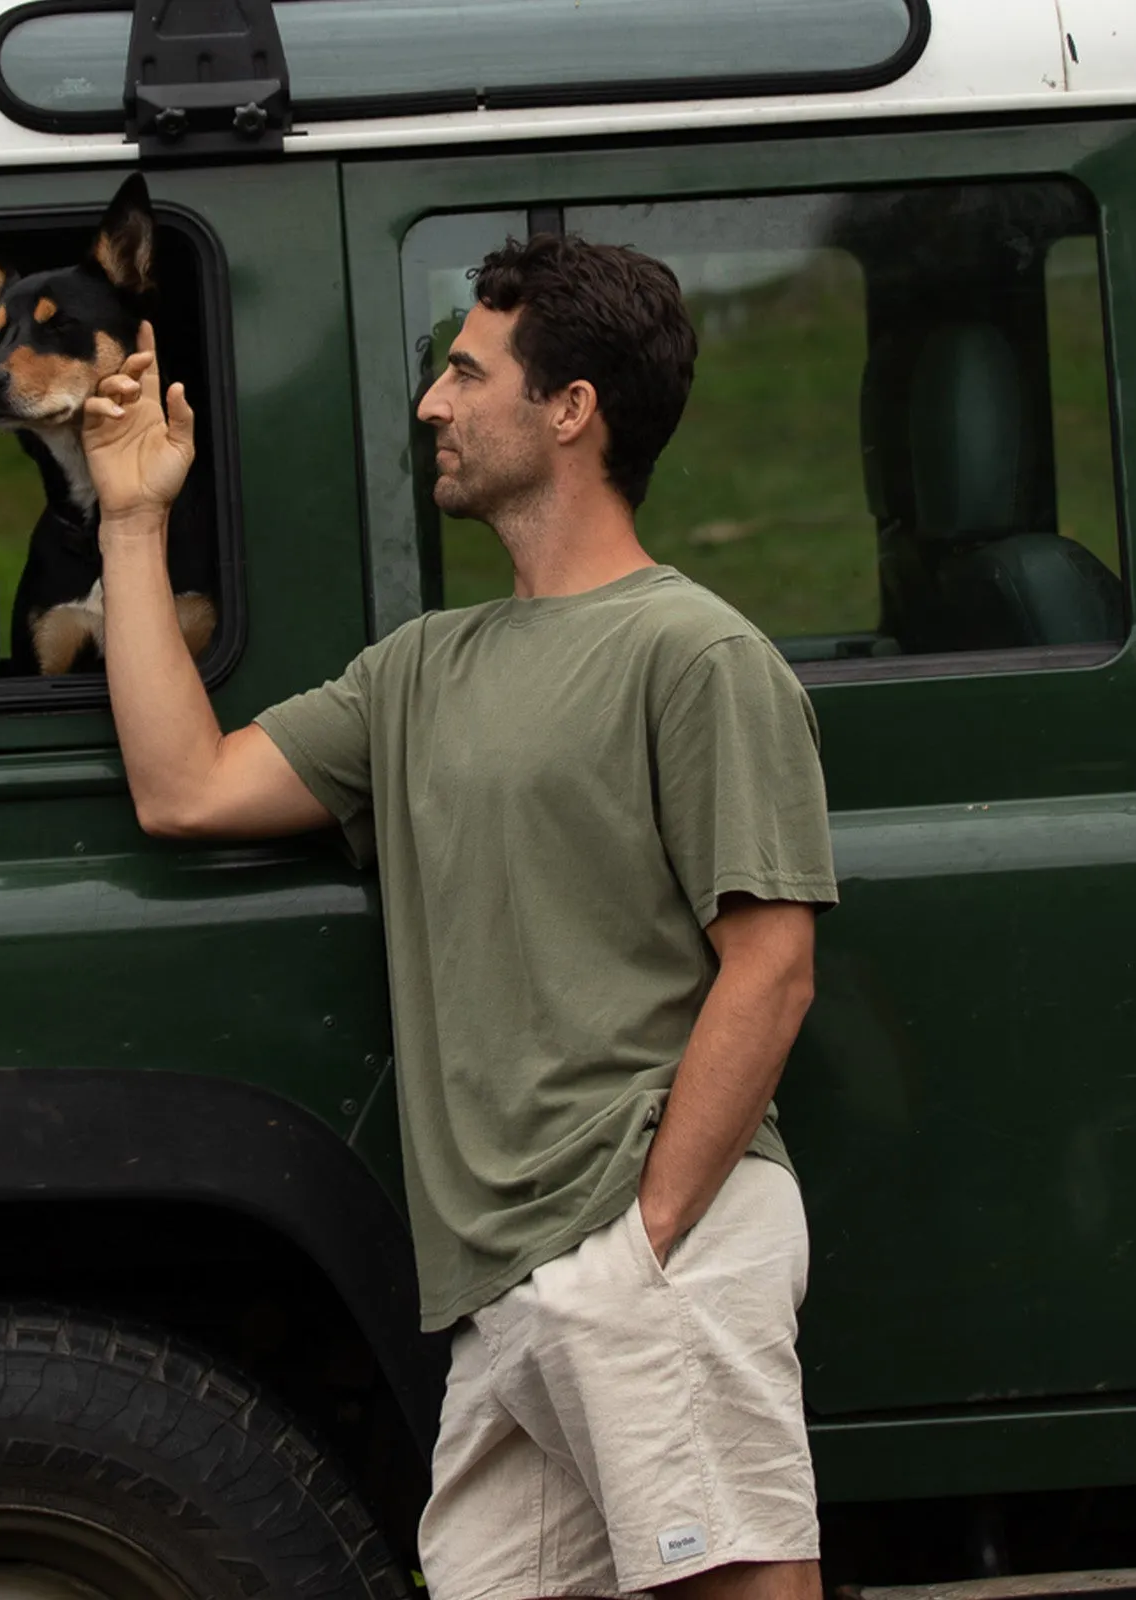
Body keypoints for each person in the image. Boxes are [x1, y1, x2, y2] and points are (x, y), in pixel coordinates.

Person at [80, 234, 837, 1600]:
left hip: (637, 1239)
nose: (432, 402)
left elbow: (773, 968)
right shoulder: (423, 669)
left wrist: (646, 1242)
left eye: (467, 371)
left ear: (571, 409)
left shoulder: (697, 653)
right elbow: (184, 788)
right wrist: (131, 520)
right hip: (502, 1290)